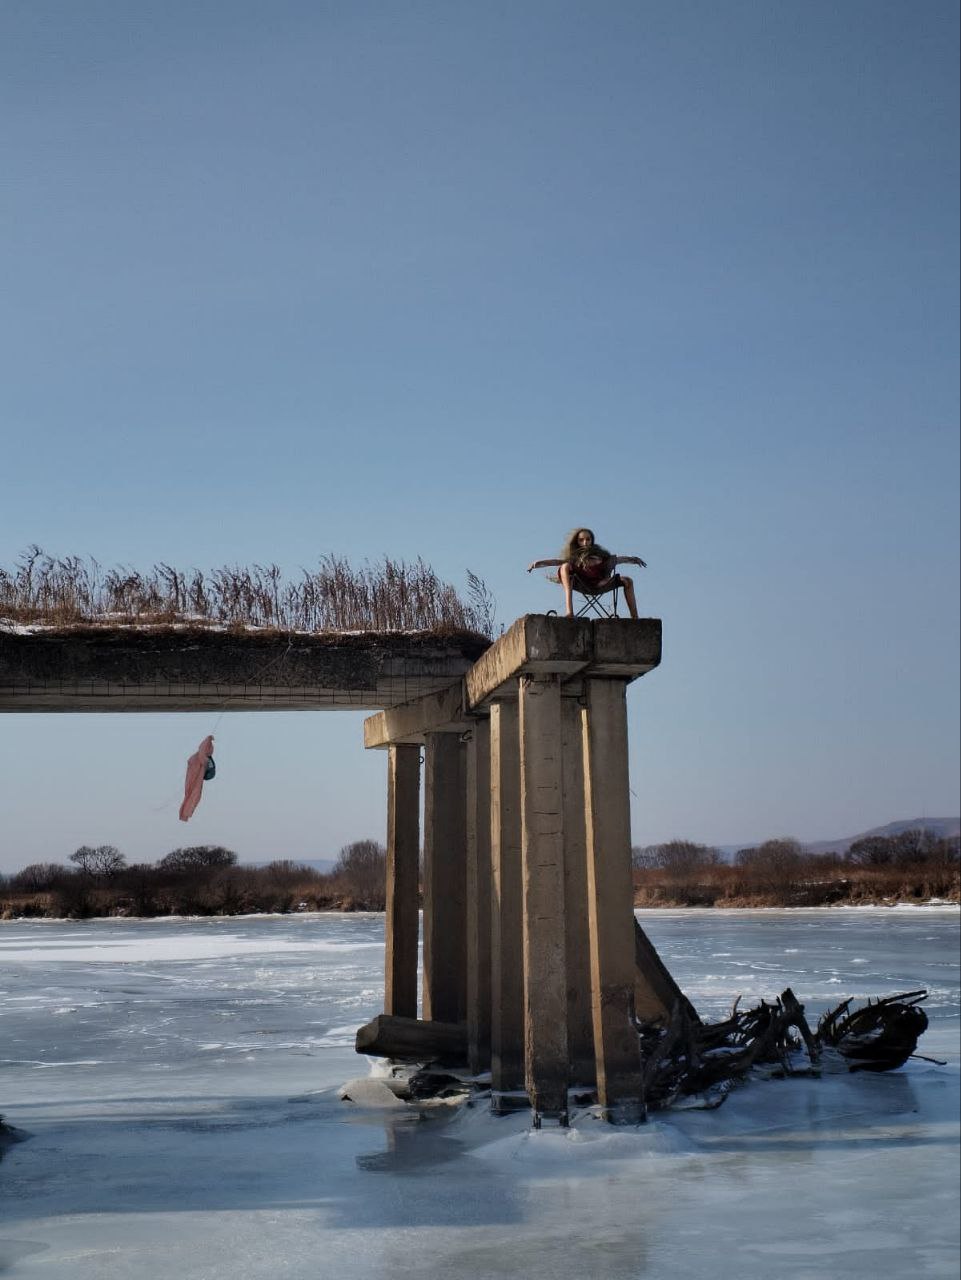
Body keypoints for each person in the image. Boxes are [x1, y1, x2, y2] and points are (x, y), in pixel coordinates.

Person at [527, 527, 646, 619]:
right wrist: (539, 563)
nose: (585, 542)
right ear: (577, 542)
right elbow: (557, 561)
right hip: (582, 583)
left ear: (592, 540)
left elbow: (617, 559)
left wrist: (634, 559)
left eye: (588, 539)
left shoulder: (600, 556)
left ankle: (635, 618)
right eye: (581, 540)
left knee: (628, 580)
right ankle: (569, 611)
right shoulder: (575, 558)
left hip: (600, 584)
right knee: (564, 566)